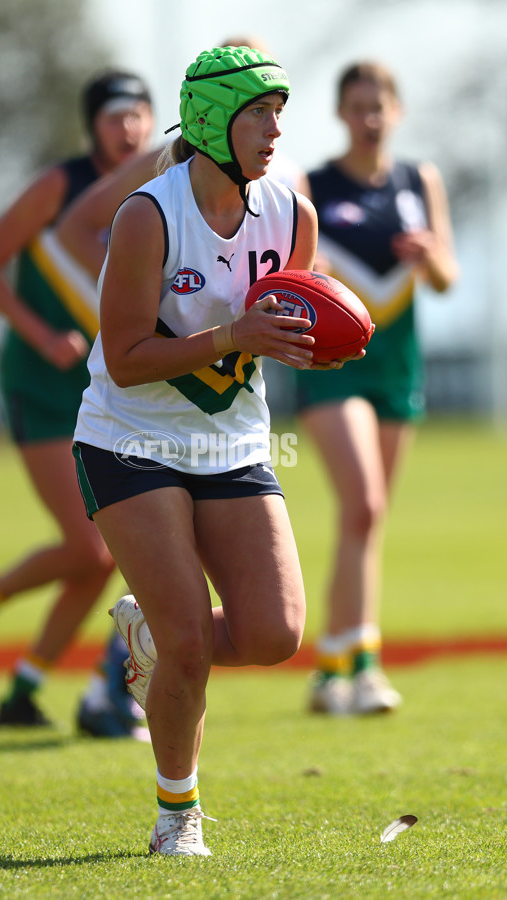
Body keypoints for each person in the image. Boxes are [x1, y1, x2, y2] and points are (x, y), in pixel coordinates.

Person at [71, 44, 363, 857]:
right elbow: (124, 357)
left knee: (275, 635)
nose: (275, 129)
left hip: (232, 442)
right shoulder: (146, 215)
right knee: (195, 641)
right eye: (256, 113)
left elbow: (287, 316)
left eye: (279, 112)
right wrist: (234, 334)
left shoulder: (292, 212)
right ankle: (177, 816)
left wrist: (319, 340)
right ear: (209, 120)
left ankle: (148, 641)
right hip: (131, 437)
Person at [0, 69, 155, 737]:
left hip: (104, 393)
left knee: (102, 552)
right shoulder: (60, 188)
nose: (129, 128)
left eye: (140, 115)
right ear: (91, 125)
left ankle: (22, 691)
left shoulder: (154, 194)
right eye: (115, 116)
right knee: (91, 551)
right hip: (38, 384)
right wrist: (39, 333)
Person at [295, 61, 459, 716]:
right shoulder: (311, 185)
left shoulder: (421, 181)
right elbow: (284, 269)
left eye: (379, 106)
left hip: (398, 367)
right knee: (362, 503)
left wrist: (429, 255)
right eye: (357, 106)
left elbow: (448, 278)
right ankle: (364, 667)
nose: (370, 117)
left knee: (366, 519)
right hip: (335, 370)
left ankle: (331, 667)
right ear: (340, 113)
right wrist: (313, 268)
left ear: (397, 110)